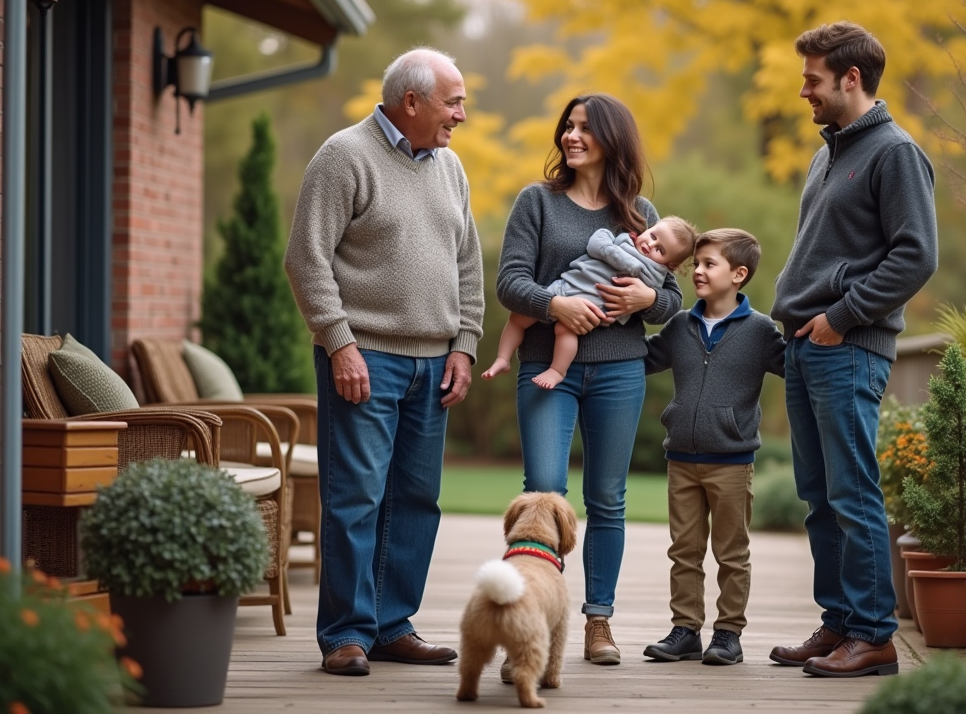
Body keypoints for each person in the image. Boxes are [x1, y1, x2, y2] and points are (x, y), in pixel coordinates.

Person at [284, 47, 484, 677]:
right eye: (453, 102)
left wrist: (465, 344)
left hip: (435, 361)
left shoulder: (450, 167)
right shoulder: (344, 156)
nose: (461, 114)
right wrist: (339, 341)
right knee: (357, 497)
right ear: (412, 102)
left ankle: (392, 624)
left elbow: (468, 264)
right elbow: (305, 258)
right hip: (365, 356)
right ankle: (345, 632)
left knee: (417, 499)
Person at [769, 21, 937, 677]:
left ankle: (873, 635)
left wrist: (842, 316)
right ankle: (839, 623)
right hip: (807, 345)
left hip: (849, 345)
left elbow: (915, 257)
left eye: (812, 79)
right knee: (819, 495)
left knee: (853, 493)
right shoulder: (828, 152)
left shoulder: (895, 153)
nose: (803, 91)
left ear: (850, 78)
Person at [495, 92, 684, 665]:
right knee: (543, 494)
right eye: (567, 127)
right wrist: (558, 308)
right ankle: (524, 620)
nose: (571, 137)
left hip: (620, 371)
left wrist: (649, 295)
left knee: (607, 498)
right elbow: (510, 282)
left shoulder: (641, 214)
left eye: (584, 129)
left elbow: (671, 301)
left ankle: (598, 622)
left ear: (612, 140)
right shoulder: (538, 202)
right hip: (546, 367)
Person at [641, 228, 786, 666]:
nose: (698, 272)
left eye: (709, 264)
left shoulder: (760, 331)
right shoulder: (681, 323)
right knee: (683, 550)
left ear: (738, 274)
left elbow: (798, 368)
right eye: (697, 263)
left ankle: (727, 635)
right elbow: (644, 358)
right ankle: (684, 630)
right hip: (681, 458)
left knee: (731, 553)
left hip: (732, 461)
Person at [483, 216, 697, 389]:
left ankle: (557, 370)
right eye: (652, 235)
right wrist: (617, 254)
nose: (650, 245)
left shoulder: (654, 272)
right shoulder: (624, 239)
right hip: (564, 287)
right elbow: (597, 242)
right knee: (518, 318)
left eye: (660, 249)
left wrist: (649, 298)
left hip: (592, 306)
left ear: (670, 264)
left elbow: (671, 298)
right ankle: (503, 358)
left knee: (565, 330)